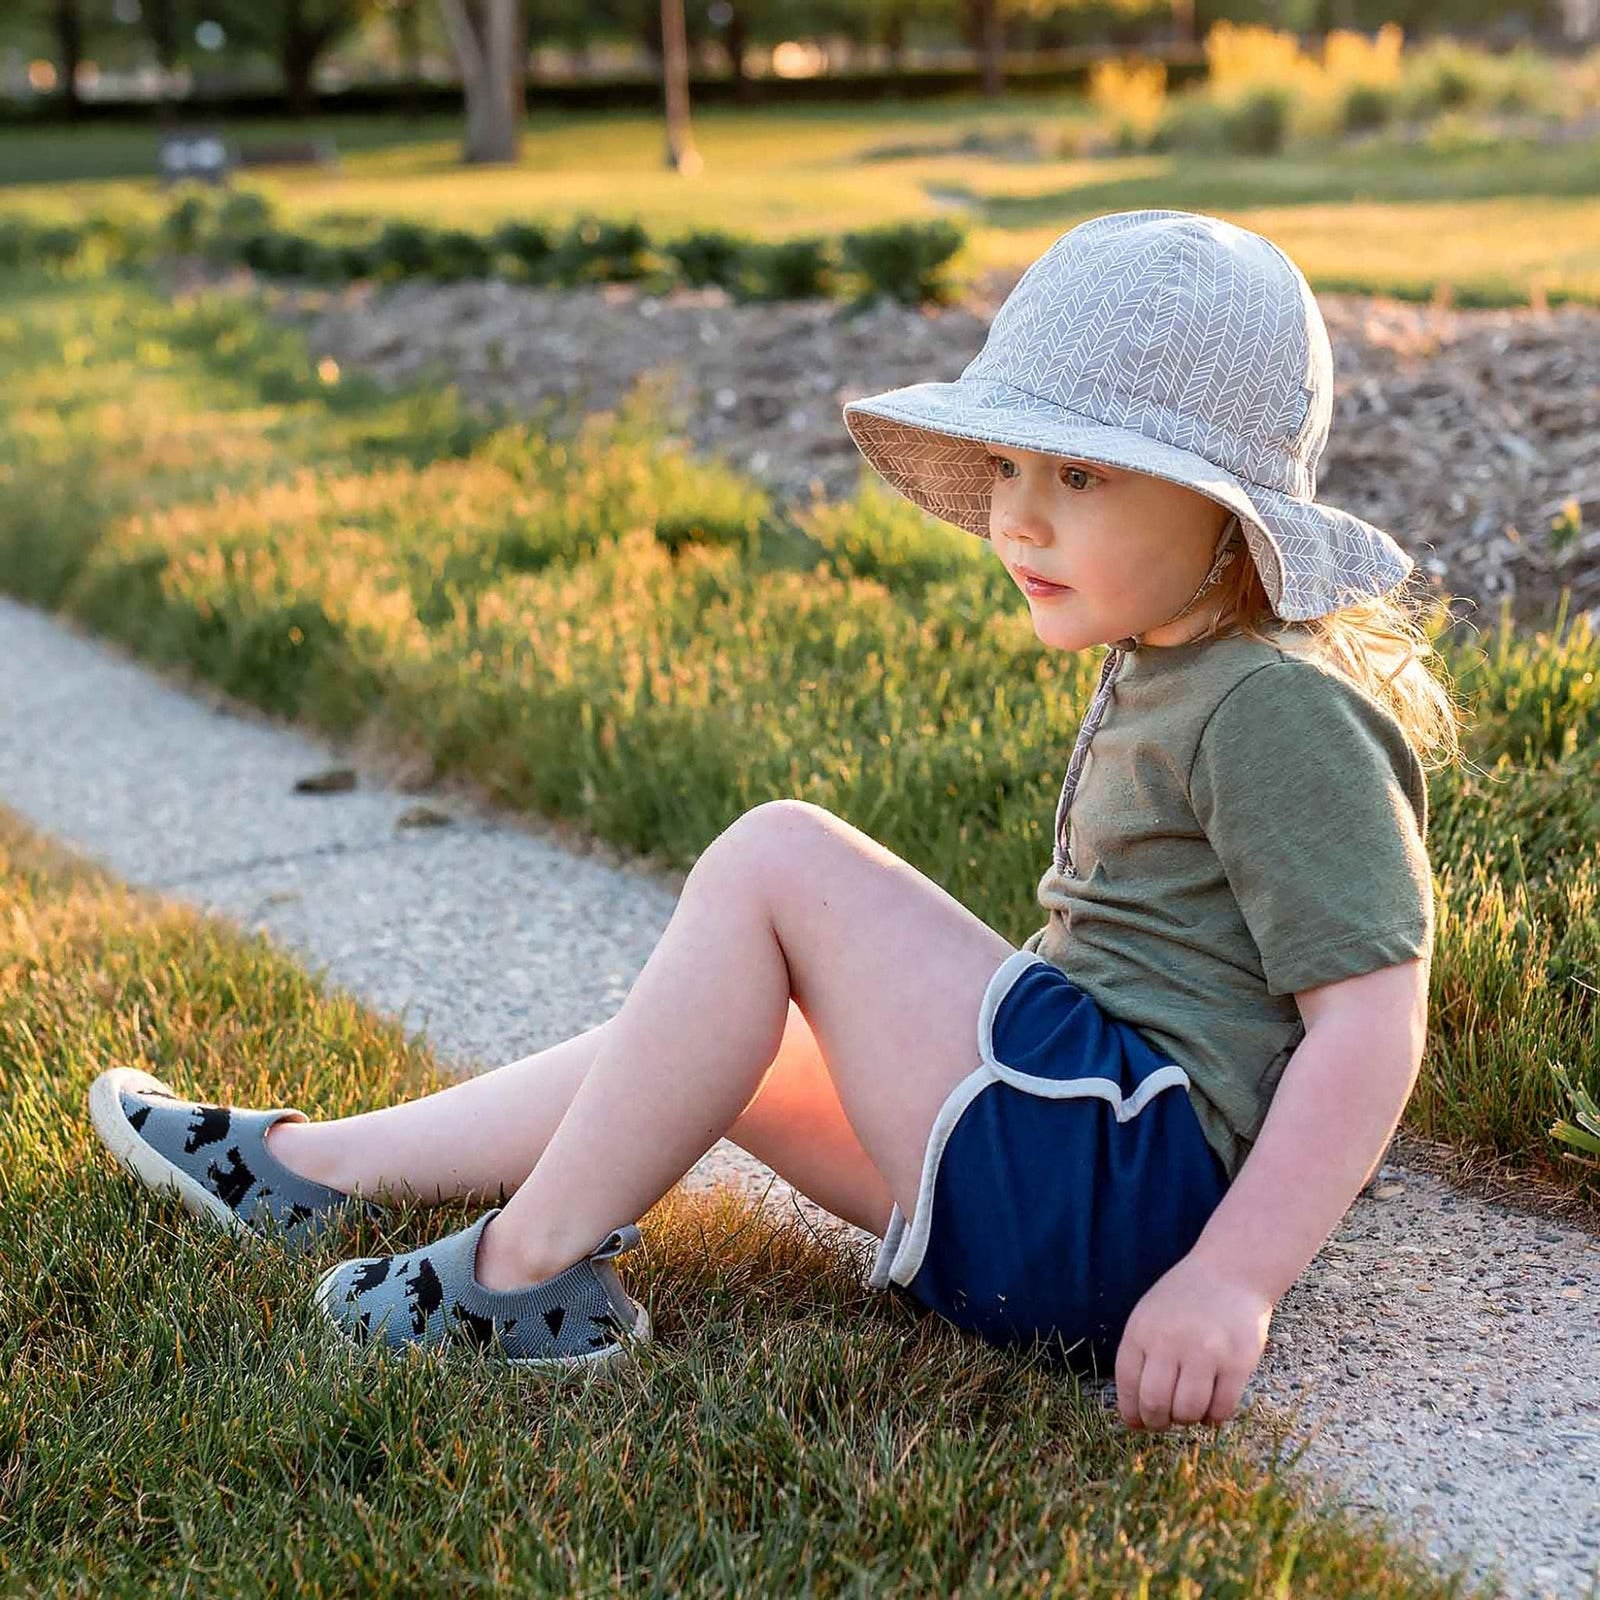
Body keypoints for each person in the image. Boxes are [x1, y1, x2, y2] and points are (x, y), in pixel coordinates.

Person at [87, 208, 1463, 1431]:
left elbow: (1370, 1021)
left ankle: (519, 1277)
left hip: (1122, 1196)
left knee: (777, 855)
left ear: (1225, 512)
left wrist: (1230, 1280)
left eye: (1082, 478)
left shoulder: (1274, 704)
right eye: (1007, 467)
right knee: (717, 1032)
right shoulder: (1185, 657)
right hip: (1077, 1183)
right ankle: (317, 1172)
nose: (1018, 521)